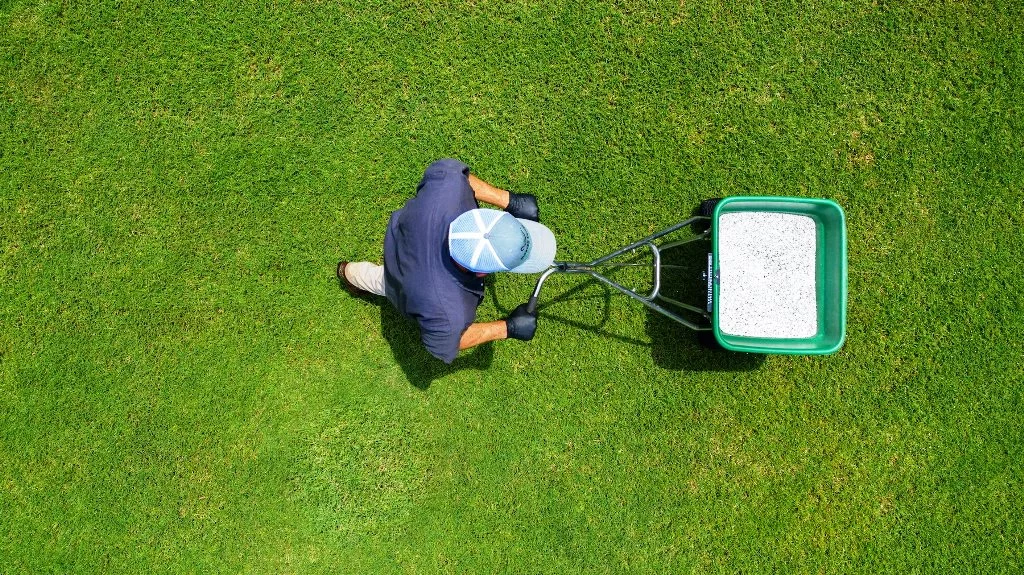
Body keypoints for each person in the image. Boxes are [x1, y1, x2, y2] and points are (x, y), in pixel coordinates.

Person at [337, 158, 557, 364]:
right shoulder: (446, 311)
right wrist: (506, 328)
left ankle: (347, 270)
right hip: (402, 281)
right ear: (481, 273)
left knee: (371, 275)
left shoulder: (448, 187)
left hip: (405, 233)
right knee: (378, 280)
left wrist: (507, 200)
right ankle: (346, 273)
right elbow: (444, 346)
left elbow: (455, 173)